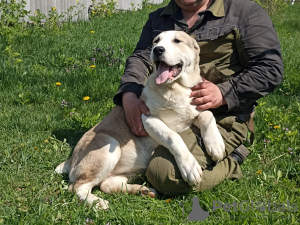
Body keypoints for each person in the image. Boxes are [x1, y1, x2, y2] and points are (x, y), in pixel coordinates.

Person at [113, 0, 283, 196]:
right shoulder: (158, 18)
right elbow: (141, 58)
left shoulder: (244, 11)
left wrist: (225, 92)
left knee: (164, 175)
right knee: (156, 163)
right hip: (173, 110)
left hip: (224, 116)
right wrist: (129, 94)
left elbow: (269, 68)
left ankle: (233, 158)